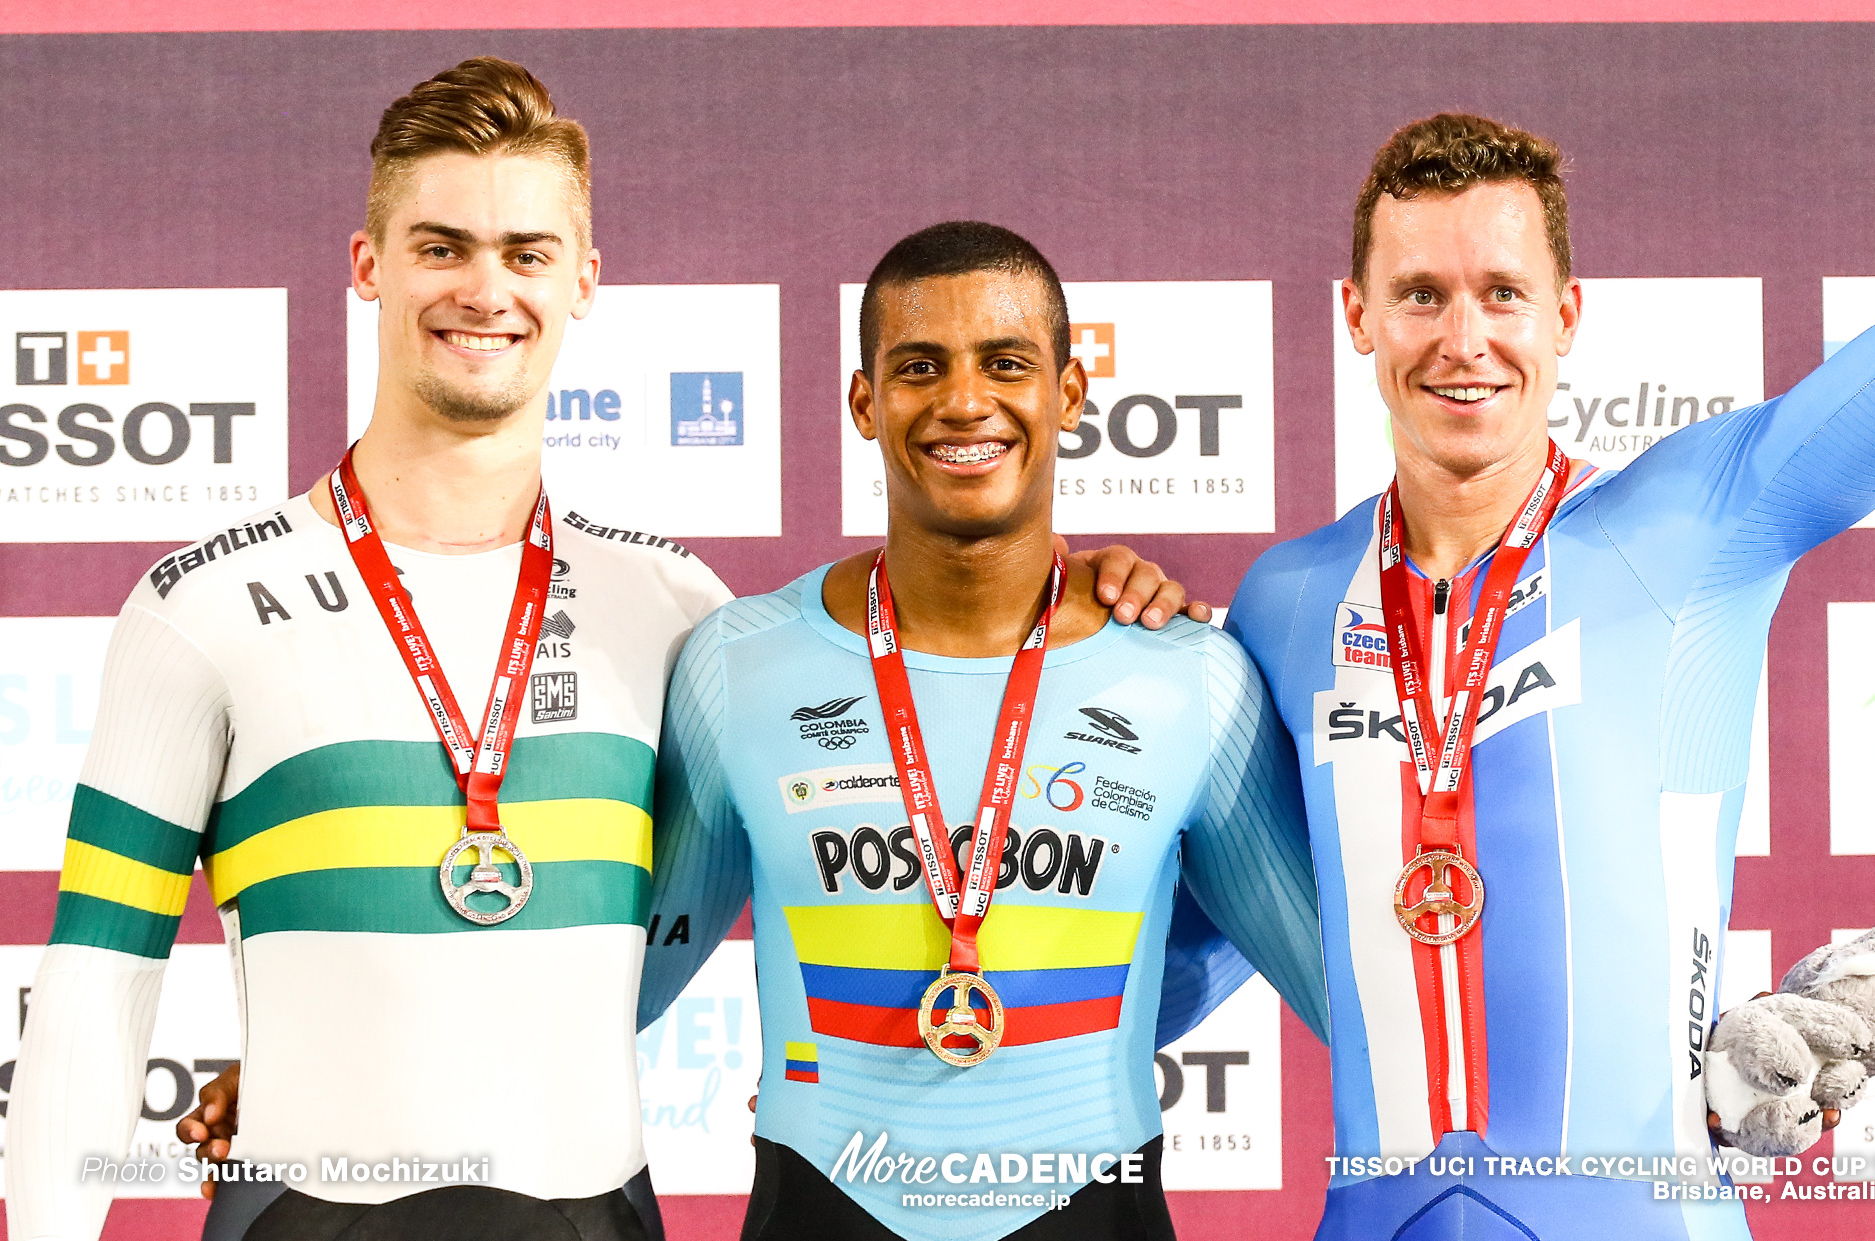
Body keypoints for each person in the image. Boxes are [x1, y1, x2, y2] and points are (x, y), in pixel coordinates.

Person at [9, 60, 1187, 1241]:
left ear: (584, 279)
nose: (485, 289)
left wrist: (1082, 595)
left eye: (526, 253)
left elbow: (906, 834)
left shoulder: (680, 612)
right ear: (368, 266)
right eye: (440, 246)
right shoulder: (200, 605)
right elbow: (95, 984)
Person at [1223, 113, 1875, 1239]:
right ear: (1356, 315)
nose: (1460, 337)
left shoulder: (1699, 520)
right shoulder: (1281, 603)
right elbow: (1207, 909)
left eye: (1502, 293)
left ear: (1565, 313)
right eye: (1420, 294)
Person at [636, 220, 1328, 1241]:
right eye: (920, 367)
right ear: (865, 402)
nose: (965, 401)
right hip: (821, 1207)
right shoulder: (738, 666)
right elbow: (616, 983)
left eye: (1005, 363)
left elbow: (1333, 978)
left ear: (1069, 393)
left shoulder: (1188, 678)